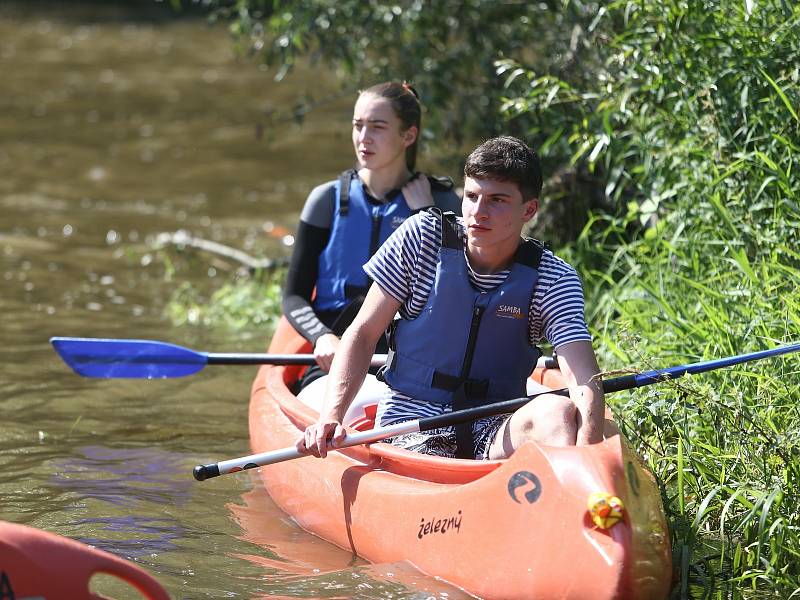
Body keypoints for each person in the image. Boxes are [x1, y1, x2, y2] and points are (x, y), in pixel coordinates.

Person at [297, 136, 604, 460]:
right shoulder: (421, 238)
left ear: (529, 209)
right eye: (471, 196)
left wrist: (588, 455)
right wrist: (331, 416)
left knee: (557, 410)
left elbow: (582, 374)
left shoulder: (553, 276)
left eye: (497, 200)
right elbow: (362, 334)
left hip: (496, 428)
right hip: (409, 425)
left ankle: (576, 497)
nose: (479, 212)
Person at [282, 81, 461, 389]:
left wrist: (426, 219)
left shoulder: (442, 203)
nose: (364, 138)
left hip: (408, 358)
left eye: (377, 127)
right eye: (358, 125)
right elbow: (294, 295)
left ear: (409, 135)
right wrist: (320, 336)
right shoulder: (325, 200)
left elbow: (456, 293)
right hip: (335, 352)